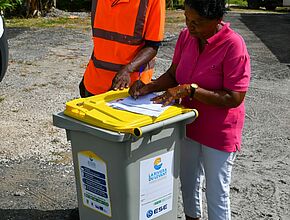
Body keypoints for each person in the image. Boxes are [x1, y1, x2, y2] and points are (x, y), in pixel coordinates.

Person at [129, 0, 251, 219]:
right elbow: (174, 74)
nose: (190, 25)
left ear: (217, 20)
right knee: (188, 182)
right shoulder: (187, 37)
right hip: (187, 125)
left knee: (217, 192)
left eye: (198, 22)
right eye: (187, 18)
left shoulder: (233, 45)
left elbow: (234, 97)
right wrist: (150, 86)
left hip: (219, 132)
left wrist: (190, 90)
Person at [79, 0, 165, 97]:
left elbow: (153, 46)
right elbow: (101, 41)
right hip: (94, 84)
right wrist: (86, 77)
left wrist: (128, 69)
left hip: (130, 88)